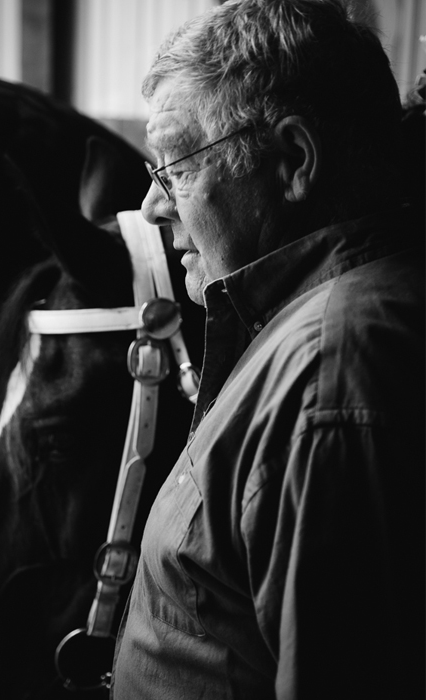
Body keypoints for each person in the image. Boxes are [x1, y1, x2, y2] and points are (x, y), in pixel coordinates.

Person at [111, 1, 424, 698]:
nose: (155, 208)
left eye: (176, 167)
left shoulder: (335, 374)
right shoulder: (303, 334)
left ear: (293, 160)